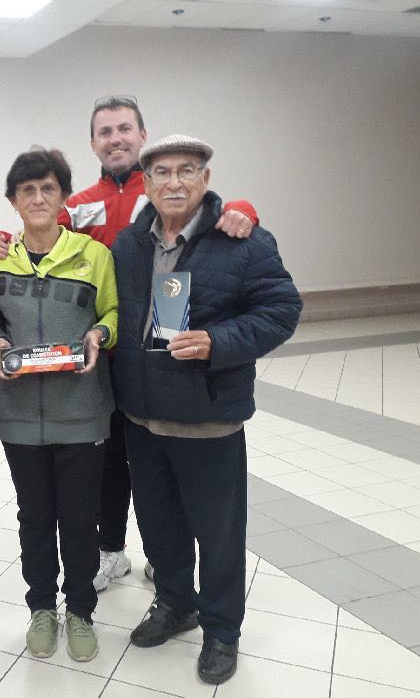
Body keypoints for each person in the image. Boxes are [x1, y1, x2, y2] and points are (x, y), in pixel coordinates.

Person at [0, 95, 260, 593]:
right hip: (87, 365)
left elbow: (213, 212)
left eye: (124, 129)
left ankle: (166, 560)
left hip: (154, 361)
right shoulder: (79, 201)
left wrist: (243, 208)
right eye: (105, 131)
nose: (115, 138)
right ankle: (110, 550)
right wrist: (0, 239)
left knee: (159, 472)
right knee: (108, 468)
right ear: (93, 142)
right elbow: (42, 243)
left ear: (141, 135)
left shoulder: (162, 189)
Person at [111, 135, 301, 684]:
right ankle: (175, 603)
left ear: (205, 179)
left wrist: (219, 341)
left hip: (207, 417)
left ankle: (222, 629)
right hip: (143, 417)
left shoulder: (242, 240)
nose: (174, 182)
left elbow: (282, 310)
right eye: (162, 172)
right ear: (145, 184)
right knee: (159, 524)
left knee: (217, 533)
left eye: (186, 171)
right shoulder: (129, 244)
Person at [0, 148, 118, 663]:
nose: (38, 198)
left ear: (64, 197)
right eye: (27, 191)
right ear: (13, 201)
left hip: (82, 411)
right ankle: (42, 607)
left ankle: (80, 611)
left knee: (80, 519)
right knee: (34, 518)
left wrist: (100, 333)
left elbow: (112, 312)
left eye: (48, 189)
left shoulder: (93, 255)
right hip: (19, 417)